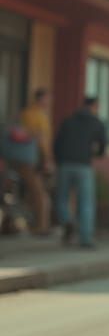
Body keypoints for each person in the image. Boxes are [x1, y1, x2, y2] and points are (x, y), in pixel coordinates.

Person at [53, 96, 107, 248]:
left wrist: (58, 161)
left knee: (62, 198)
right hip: (84, 165)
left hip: (64, 164)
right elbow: (103, 146)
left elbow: (56, 143)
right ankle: (85, 238)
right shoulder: (97, 123)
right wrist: (95, 154)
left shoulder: (68, 121)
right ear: (95, 106)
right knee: (86, 202)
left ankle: (67, 221)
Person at [17, 88, 54, 235]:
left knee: (32, 193)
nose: (50, 101)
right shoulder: (35, 115)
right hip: (33, 158)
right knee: (40, 194)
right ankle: (41, 227)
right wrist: (47, 160)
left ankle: (31, 225)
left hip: (29, 158)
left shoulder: (29, 114)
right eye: (47, 98)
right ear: (41, 99)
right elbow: (41, 140)